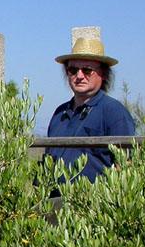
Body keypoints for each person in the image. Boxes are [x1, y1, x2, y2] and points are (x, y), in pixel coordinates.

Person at [46, 38, 136, 182]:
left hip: (92, 202)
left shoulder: (114, 112)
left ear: (103, 74)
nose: (79, 76)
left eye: (87, 70)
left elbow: (126, 165)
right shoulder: (59, 113)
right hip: (53, 201)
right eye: (73, 70)